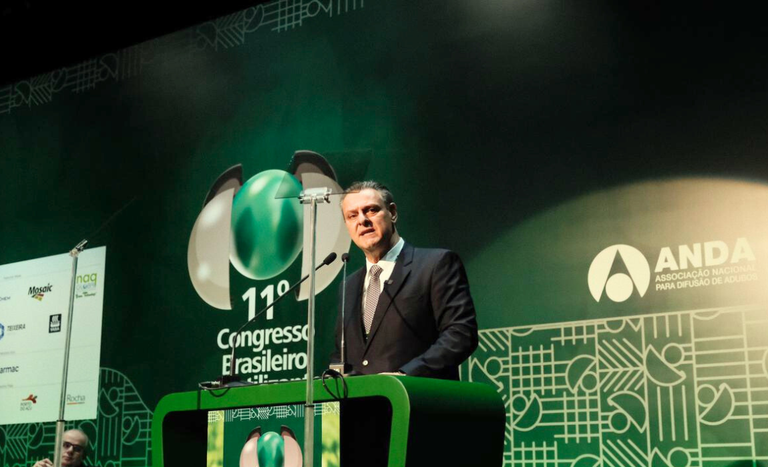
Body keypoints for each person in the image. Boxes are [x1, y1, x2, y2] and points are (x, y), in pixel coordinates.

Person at [332, 181, 478, 380]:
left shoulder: (435, 265)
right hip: (363, 399)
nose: (362, 220)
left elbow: (460, 335)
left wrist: (405, 375)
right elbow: (342, 354)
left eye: (371, 210)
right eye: (352, 215)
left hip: (418, 395)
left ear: (392, 213)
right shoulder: (348, 285)